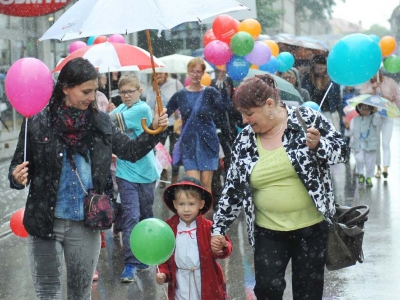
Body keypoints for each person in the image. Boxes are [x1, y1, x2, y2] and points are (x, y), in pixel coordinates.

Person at [8, 57, 168, 299]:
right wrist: (16, 177)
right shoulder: (38, 122)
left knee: (80, 294)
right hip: (44, 223)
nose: (92, 97)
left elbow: (131, 151)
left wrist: (155, 129)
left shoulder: (101, 121)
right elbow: (17, 167)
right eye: (86, 91)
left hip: (86, 224)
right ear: (66, 88)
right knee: (47, 294)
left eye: (94, 90)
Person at [210, 74, 349, 299]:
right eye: (242, 114)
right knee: (267, 290)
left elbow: (342, 151)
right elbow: (233, 189)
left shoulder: (305, 119)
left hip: (311, 229)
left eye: (249, 114)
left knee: (308, 292)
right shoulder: (245, 140)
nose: (244, 120)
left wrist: (319, 145)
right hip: (269, 232)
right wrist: (218, 229)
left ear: (269, 105)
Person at [109, 73, 160, 282]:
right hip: (124, 173)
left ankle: (144, 254)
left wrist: (106, 113)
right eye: (122, 92)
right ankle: (130, 263)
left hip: (146, 173)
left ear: (140, 91)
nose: (126, 96)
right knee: (131, 216)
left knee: (145, 217)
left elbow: (108, 120)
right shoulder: (121, 109)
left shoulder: (142, 109)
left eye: (131, 91)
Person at [156, 176, 232, 300]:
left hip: (205, 279)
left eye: (191, 204)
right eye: (181, 204)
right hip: (181, 280)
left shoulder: (209, 227)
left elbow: (225, 249)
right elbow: (163, 256)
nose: (186, 209)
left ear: (201, 204)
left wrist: (222, 247)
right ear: (175, 204)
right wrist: (163, 273)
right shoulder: (169, 228)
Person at [166, 57, 229, 192]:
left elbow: (224, 107)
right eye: (192, 71)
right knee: (193, 186)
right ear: (188, 72)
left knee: (206, 185)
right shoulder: (181, 94)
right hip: (189, 143)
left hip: (208, 142)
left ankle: (204, 213)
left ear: (203, 73)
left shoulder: (210, 92)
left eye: (198, 71)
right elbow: (165, 111)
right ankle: (195, 214)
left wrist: (222, 86)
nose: (195, 74)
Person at [360, 70, 400, 179]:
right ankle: (377, 167)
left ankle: (386, 167)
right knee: (376, 143)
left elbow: (397, 97)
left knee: (386, 143)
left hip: (388, 115)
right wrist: (372, 88)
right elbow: (362, 96)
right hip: (374, 117)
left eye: (376, 72)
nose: (374, 76)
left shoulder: (390, 82)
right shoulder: (367, 83)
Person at [146, 72, 184, 187]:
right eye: (156, 74)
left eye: (161, 74)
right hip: (161, 124)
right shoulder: (152, 87)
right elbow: (150, 104)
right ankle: (163, 174)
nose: (159, 76)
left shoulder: (175, 83)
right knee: (159, 150)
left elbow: (178, 100)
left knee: (174, 150)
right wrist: (155, 90)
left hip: (174, 123)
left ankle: (174, 179)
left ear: (166, 73)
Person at [346, 103, 381, 188]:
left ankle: (369, 177)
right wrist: (347, 128)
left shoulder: (373, 118)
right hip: (358, 143)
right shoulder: (355, 119)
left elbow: (377, 123)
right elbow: (351, 131)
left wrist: (376, 112)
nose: (365, 110)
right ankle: (361, 173)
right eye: (363, 108)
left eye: (367, 108)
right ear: (359, 109)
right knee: (359, 159)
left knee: (370, 162)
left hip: (371, 144)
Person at [302, 54, 342, 128]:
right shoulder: (308, 78)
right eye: (317, 68)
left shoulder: (332, 80)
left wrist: (341, 114)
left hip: (328, 111)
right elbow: (306, 93)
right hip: (312, 111)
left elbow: (337, 99)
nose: (319, 71)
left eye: (322, 69)